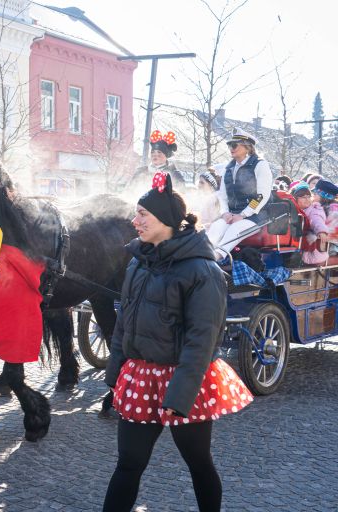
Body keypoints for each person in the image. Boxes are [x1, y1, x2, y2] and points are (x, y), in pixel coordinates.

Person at [102, 171, 253, 512]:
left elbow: (203, 340)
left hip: (186, 381)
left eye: (143, 215)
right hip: (141, 376)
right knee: (128, 464)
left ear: (167, 221)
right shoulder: (138, 263)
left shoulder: (203, 271)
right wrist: (115, 376)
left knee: (198, 462)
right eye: (137, 213)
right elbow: (124, 323)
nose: (134, 221)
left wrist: (179, 395)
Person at [205, 128, 273, 260]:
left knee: (234, 230)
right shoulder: (228, 168)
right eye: (229, 145)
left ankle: (216, 257)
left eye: (234, 145)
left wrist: (243, 215)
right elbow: (223, 195)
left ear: (247, 147)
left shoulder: (260, 165)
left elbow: (261, 196)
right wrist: (225, 213)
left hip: (255, 216)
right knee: (216, 228)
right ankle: (203, 255)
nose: (231, 148)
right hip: (232, 214)